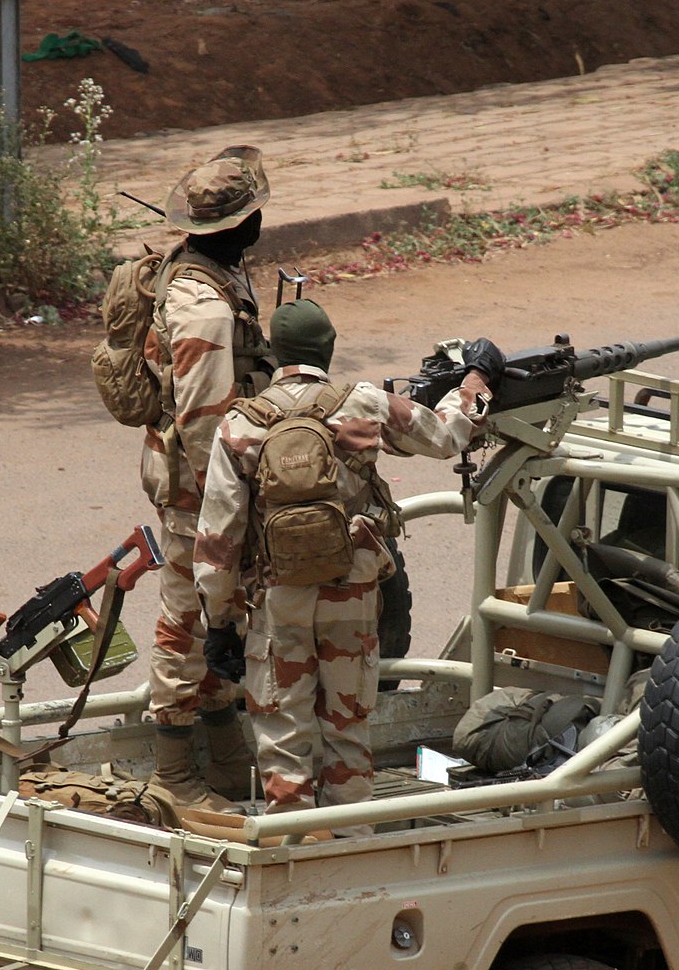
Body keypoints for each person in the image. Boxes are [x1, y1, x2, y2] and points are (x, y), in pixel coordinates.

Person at [193, 299, 504, 829]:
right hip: (351, 593)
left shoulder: (239, 424)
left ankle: (290, 845)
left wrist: (220, 623)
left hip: (278, 598)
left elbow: (219, 539)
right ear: (329, 349)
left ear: (274, 354)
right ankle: (351, 842)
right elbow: (449, 433)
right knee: (347, 727)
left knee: (283, 735)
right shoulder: (363, 403)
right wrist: (476, 378)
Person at [140, 145, 276, 812]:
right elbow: (203, 426)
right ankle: (172, 774)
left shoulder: (219, 275)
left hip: (214, 483)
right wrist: (228, 507)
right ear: (235, 227)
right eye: (255, 214)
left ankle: (224, 758)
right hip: (203, 489)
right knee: (187, 622)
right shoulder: (205, 310)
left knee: (227, 615)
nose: (261, 224)